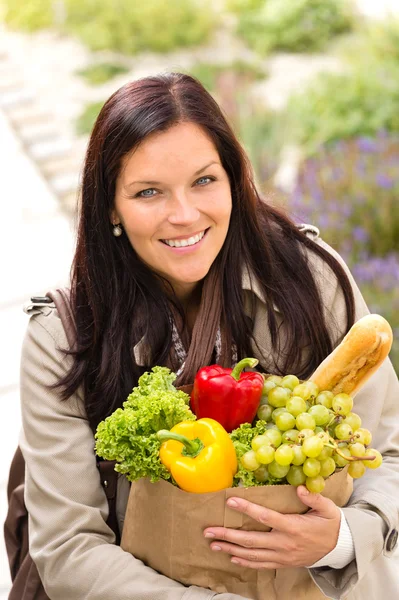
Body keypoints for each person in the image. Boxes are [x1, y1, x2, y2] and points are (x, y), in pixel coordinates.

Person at [19, 72, 399, 600]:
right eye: (148, 191)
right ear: (110, 206)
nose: (184, 215)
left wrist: (339, 540)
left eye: (204, 181)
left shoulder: (311, 281)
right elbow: (68, 546)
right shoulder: (62, 338)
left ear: (233, 178)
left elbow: (390, 449)